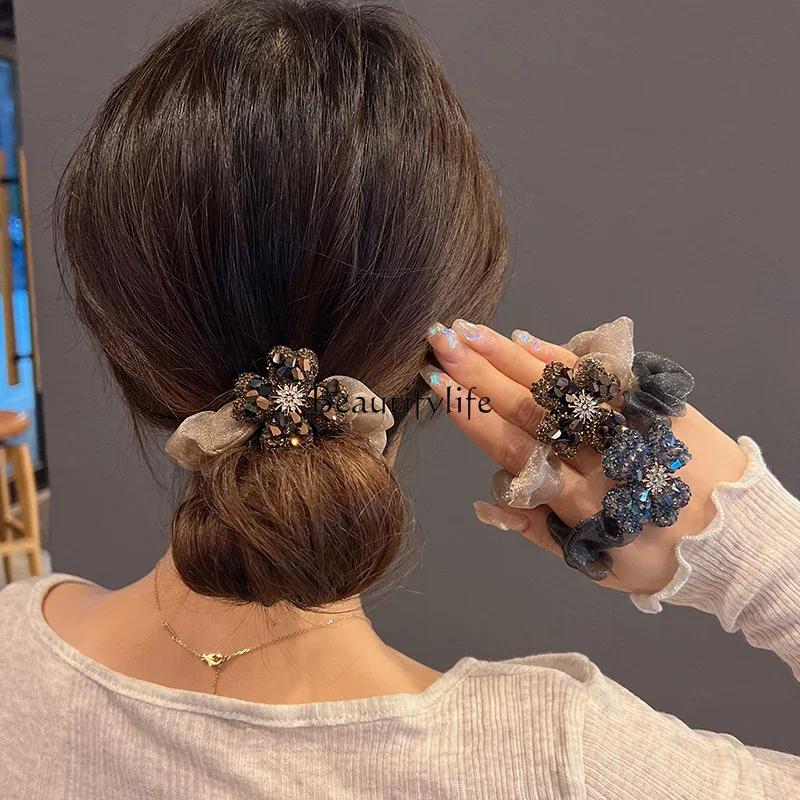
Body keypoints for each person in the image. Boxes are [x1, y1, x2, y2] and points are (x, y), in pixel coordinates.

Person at [1, 0, 798, 796]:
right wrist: (746, 553)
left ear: (114, 328)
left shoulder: (11, 652)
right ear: (439, 347)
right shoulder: (561, 763)